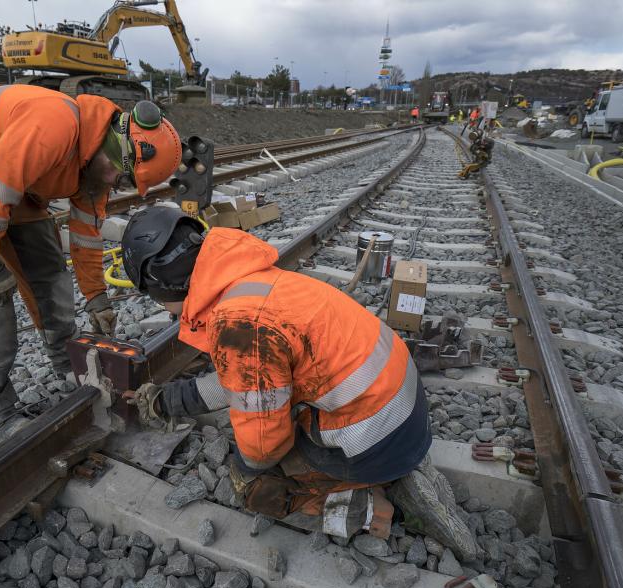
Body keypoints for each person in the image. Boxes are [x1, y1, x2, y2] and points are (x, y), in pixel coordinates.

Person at [121, 206, 481, 559]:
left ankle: (370, 505)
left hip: (379, 440)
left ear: (162, 287)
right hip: (403, 409)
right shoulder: (253, 284)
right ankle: (386, 472)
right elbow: (240, 383)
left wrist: (244, 466)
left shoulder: (239, 326)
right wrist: (167, 401)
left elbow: (263, 445)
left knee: (254, 486)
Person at [0, 85, 181, 424]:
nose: (115, 185)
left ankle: (67, 362)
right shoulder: (52, 127)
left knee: (48, 266)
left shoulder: (94, 167)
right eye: (121, 178)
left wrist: (97, 299)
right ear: (114, 151)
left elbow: (86, 238)